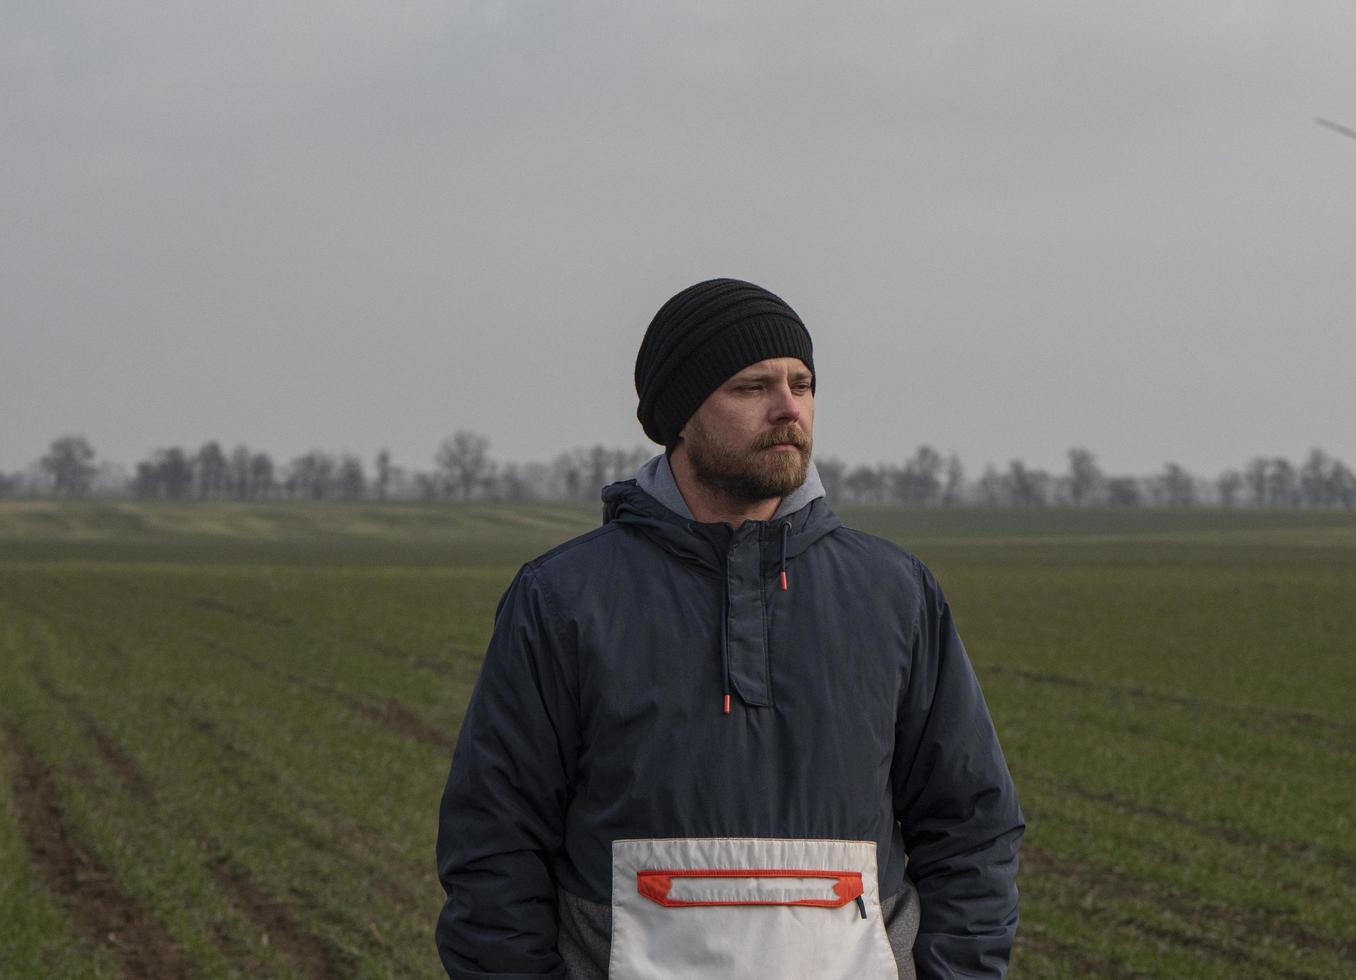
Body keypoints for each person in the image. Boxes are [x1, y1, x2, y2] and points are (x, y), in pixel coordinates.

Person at [436, 278, 1024, 980]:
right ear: (681, 414)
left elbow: (971, 826)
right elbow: (494, 842)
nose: (788, 408)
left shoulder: (896, 594)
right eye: (752, 387)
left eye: (801, 383)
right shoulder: (563, 598)